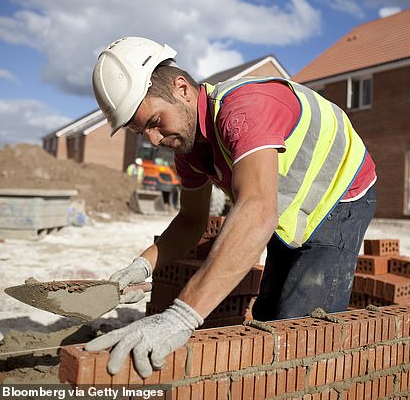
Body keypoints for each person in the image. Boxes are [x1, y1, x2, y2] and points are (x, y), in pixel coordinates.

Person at [85, 36, 377, 378]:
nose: (153, 141)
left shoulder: (243, 109)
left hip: (343, 194)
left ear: (181, 88)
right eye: (141, 132)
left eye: (154, 122)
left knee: (301, 332)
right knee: (270, 318)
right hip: (289, 208)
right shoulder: (188, 149)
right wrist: (141, 266)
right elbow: (191, 220)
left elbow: (257, 210)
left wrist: (182, 314)